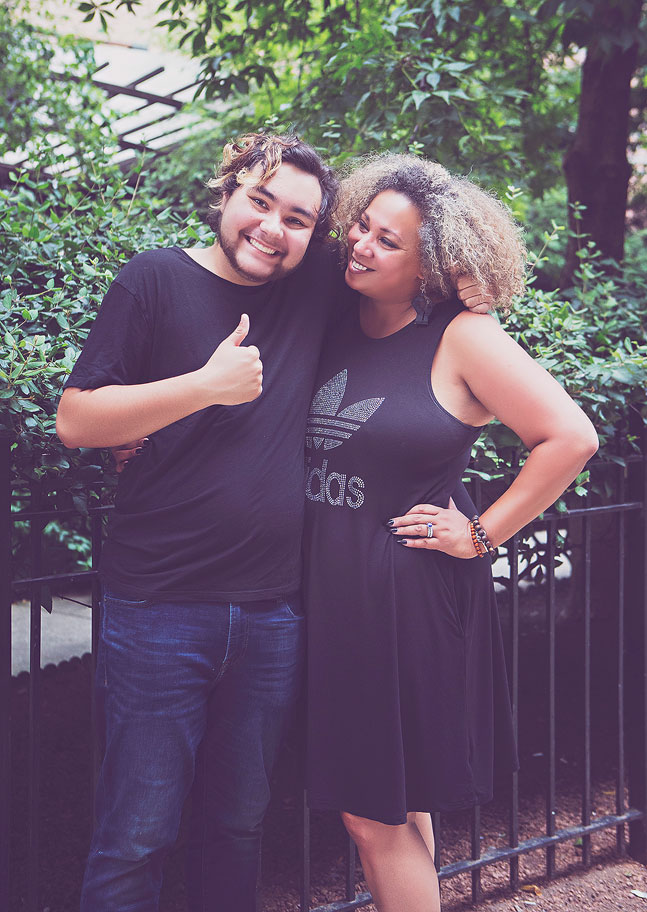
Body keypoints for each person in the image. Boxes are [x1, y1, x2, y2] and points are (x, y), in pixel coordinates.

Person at [55, 131, 489, 912]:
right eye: (259, 202)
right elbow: (78, 419)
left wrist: (473, 513)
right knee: (137, 833)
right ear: (226, 193)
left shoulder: (315, 286)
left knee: (239, 825)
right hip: (159, 606)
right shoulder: (154, 279)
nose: (272, 228)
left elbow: (423, 258)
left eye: (298, 219)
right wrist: (205, 386)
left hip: (275, 614)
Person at [303, 154, 599, 912]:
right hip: (334, 591)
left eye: (387, 241)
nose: (362, 246)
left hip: (402, 595)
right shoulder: (335, 312)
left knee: (370, 811)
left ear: (429, 263)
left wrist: (482, 533)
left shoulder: (463, 336)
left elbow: (569, 437)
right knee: (395, 803)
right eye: (361, 227)